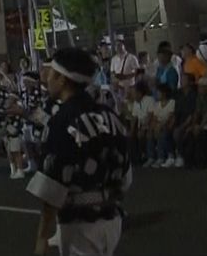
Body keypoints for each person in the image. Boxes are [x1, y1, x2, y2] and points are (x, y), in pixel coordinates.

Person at [28, 48, 131, 256]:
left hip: (80, 221)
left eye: (51, 73)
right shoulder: (109, 115)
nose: (47, 79)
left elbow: (52, 184)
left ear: (62, 79)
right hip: (112, 216)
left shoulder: (62, 120)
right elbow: (126, 175)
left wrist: (42, 237)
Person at [147, 84, 176, 168]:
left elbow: (170, 116)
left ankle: (162, 157)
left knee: (162, 133)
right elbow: (154, 118)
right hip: (158, 125)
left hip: (167, 124)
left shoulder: (172, 102)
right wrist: (154, 126)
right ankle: (151, 156)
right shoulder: (157, 104)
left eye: (158, 92)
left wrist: (160, 125)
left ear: (164, 93)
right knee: (150, 133)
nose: (157, 94)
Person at [127, 82, 154, 165]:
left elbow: (150, 115)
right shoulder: (136, 103)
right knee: (130, 135)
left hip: (150, 123)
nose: (132, 95)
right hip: (140, 125)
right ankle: (135, 157)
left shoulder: (149, 99)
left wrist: (143, 127)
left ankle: (147, 156)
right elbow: (134, 118)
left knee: (141, 134)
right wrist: (131, 130)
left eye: (134, 93)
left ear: (139, 93)